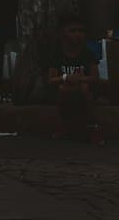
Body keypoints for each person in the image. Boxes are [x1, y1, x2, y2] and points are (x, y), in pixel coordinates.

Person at [42, 9, 101, 141]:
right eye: (73, 31)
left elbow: (95, 77)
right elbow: (51, 79)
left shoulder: (87, 54)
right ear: (62, 34)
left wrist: (80, 79)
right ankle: (62, 125)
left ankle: (93, 126)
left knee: (85, 88)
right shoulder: (57, 54)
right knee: (63, 89)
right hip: (64, 89)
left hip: (84, 91)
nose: (78, 34)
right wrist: (66, 78)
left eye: (81, 31)